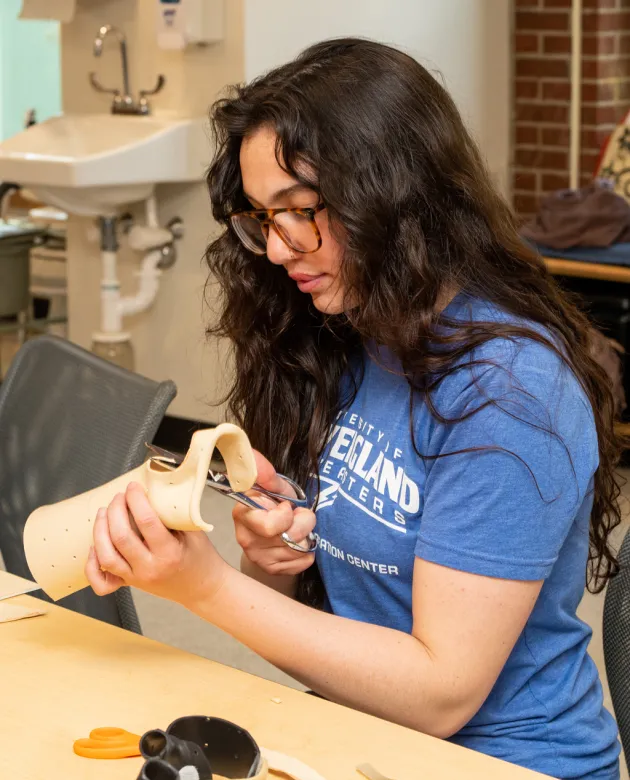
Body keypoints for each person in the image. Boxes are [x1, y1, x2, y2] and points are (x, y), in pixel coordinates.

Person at [85, 38, 623, 779]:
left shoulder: (512, 390)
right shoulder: (349, 333)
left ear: (396, 195)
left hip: (505, 762)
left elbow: (440, 695)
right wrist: (269, 559)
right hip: (364, 743)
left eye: (300, 211)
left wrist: (205, 588)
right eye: (262, 219)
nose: (277, 250)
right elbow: (332, 604)